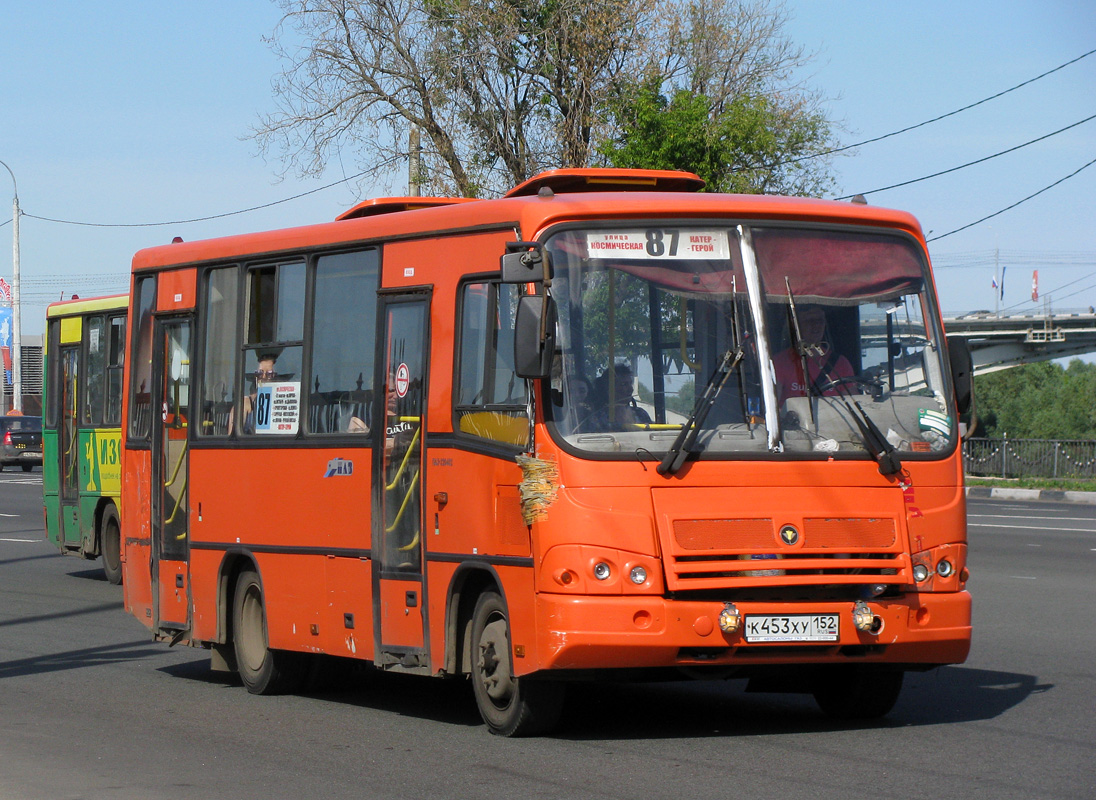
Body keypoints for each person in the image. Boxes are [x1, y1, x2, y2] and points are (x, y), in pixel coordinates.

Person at [772, 305, 854, 404]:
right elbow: (774, 406)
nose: (816, 325)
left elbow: (853, 402)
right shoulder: (780, 363)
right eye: (810, 321)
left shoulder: (841, 364)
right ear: (796, 325)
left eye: (820, 320)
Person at [590, 362, 652, 430]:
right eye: (624, 384)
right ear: (609, 388)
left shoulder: (640, 414)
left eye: (630, 383)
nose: (630, 389)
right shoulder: (599, 418)